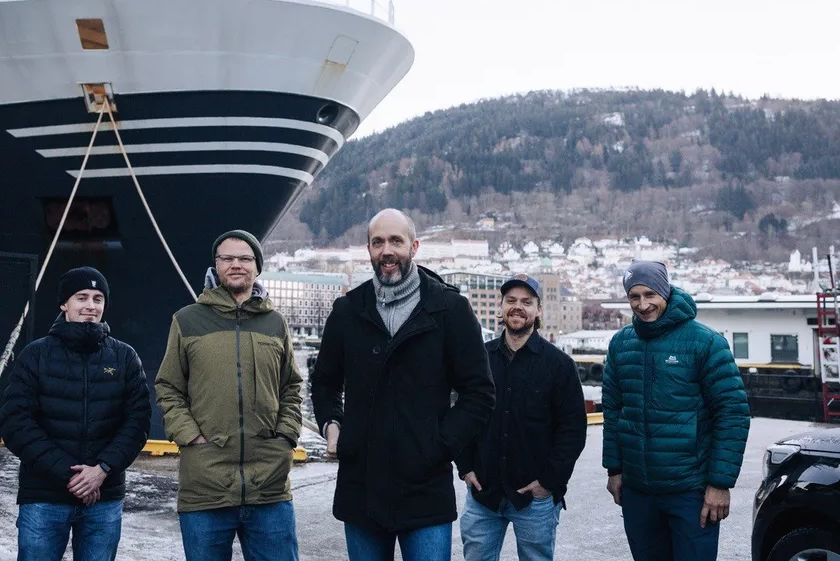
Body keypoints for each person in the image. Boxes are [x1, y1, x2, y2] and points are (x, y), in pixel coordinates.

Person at [311, 208, 495, 561]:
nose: (387, 250)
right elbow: (324, 382)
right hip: (361, 484)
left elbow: (479, 392)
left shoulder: (450, 310)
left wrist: (440, 446)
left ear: (414, 246)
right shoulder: (347, 311)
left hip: (424, 485)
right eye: (377, 242)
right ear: (368, 249)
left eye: (396, 240)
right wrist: (331, 425)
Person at [154, 229, 302, 561]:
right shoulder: (187, 320)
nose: (236, 265)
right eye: (227, 258)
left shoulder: (275, 323)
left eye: (245, 258)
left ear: (257, 266)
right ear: (216, 265)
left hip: (269, 487)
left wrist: (286, 437)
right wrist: (190, 436)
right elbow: (168, 386)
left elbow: (291, 386)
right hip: (205, 487)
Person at [602, 260, 750, 561]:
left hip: (690, 491)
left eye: (650, 294)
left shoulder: (706, 342)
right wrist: (614, 470)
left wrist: (719, 484)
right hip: (639, 492)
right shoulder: (620, 345)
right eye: (634, 296)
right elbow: (614, 411)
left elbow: (732, 413)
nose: (643, 305)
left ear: (665, 292)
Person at [1, 266, 151, 561]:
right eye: (81, 297)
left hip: (103, 497)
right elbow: (16, 424)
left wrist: (102, 470)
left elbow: (137, 422)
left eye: (98, 299)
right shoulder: (36, 355)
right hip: (44, 495)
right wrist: (74, 476)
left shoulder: (124, 357)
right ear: (63, 304)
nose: (90, 306)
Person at [456, 274, 587, 561]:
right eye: (511, 301)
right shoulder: (479, 358)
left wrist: (549, 482)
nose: (518, 307)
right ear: (500, 307)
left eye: (527, 302)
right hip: (483, 494)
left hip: (535, 498)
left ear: (539, 310)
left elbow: (573, 430)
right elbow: (461, 414)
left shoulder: (559, 365)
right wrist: (465, 466)